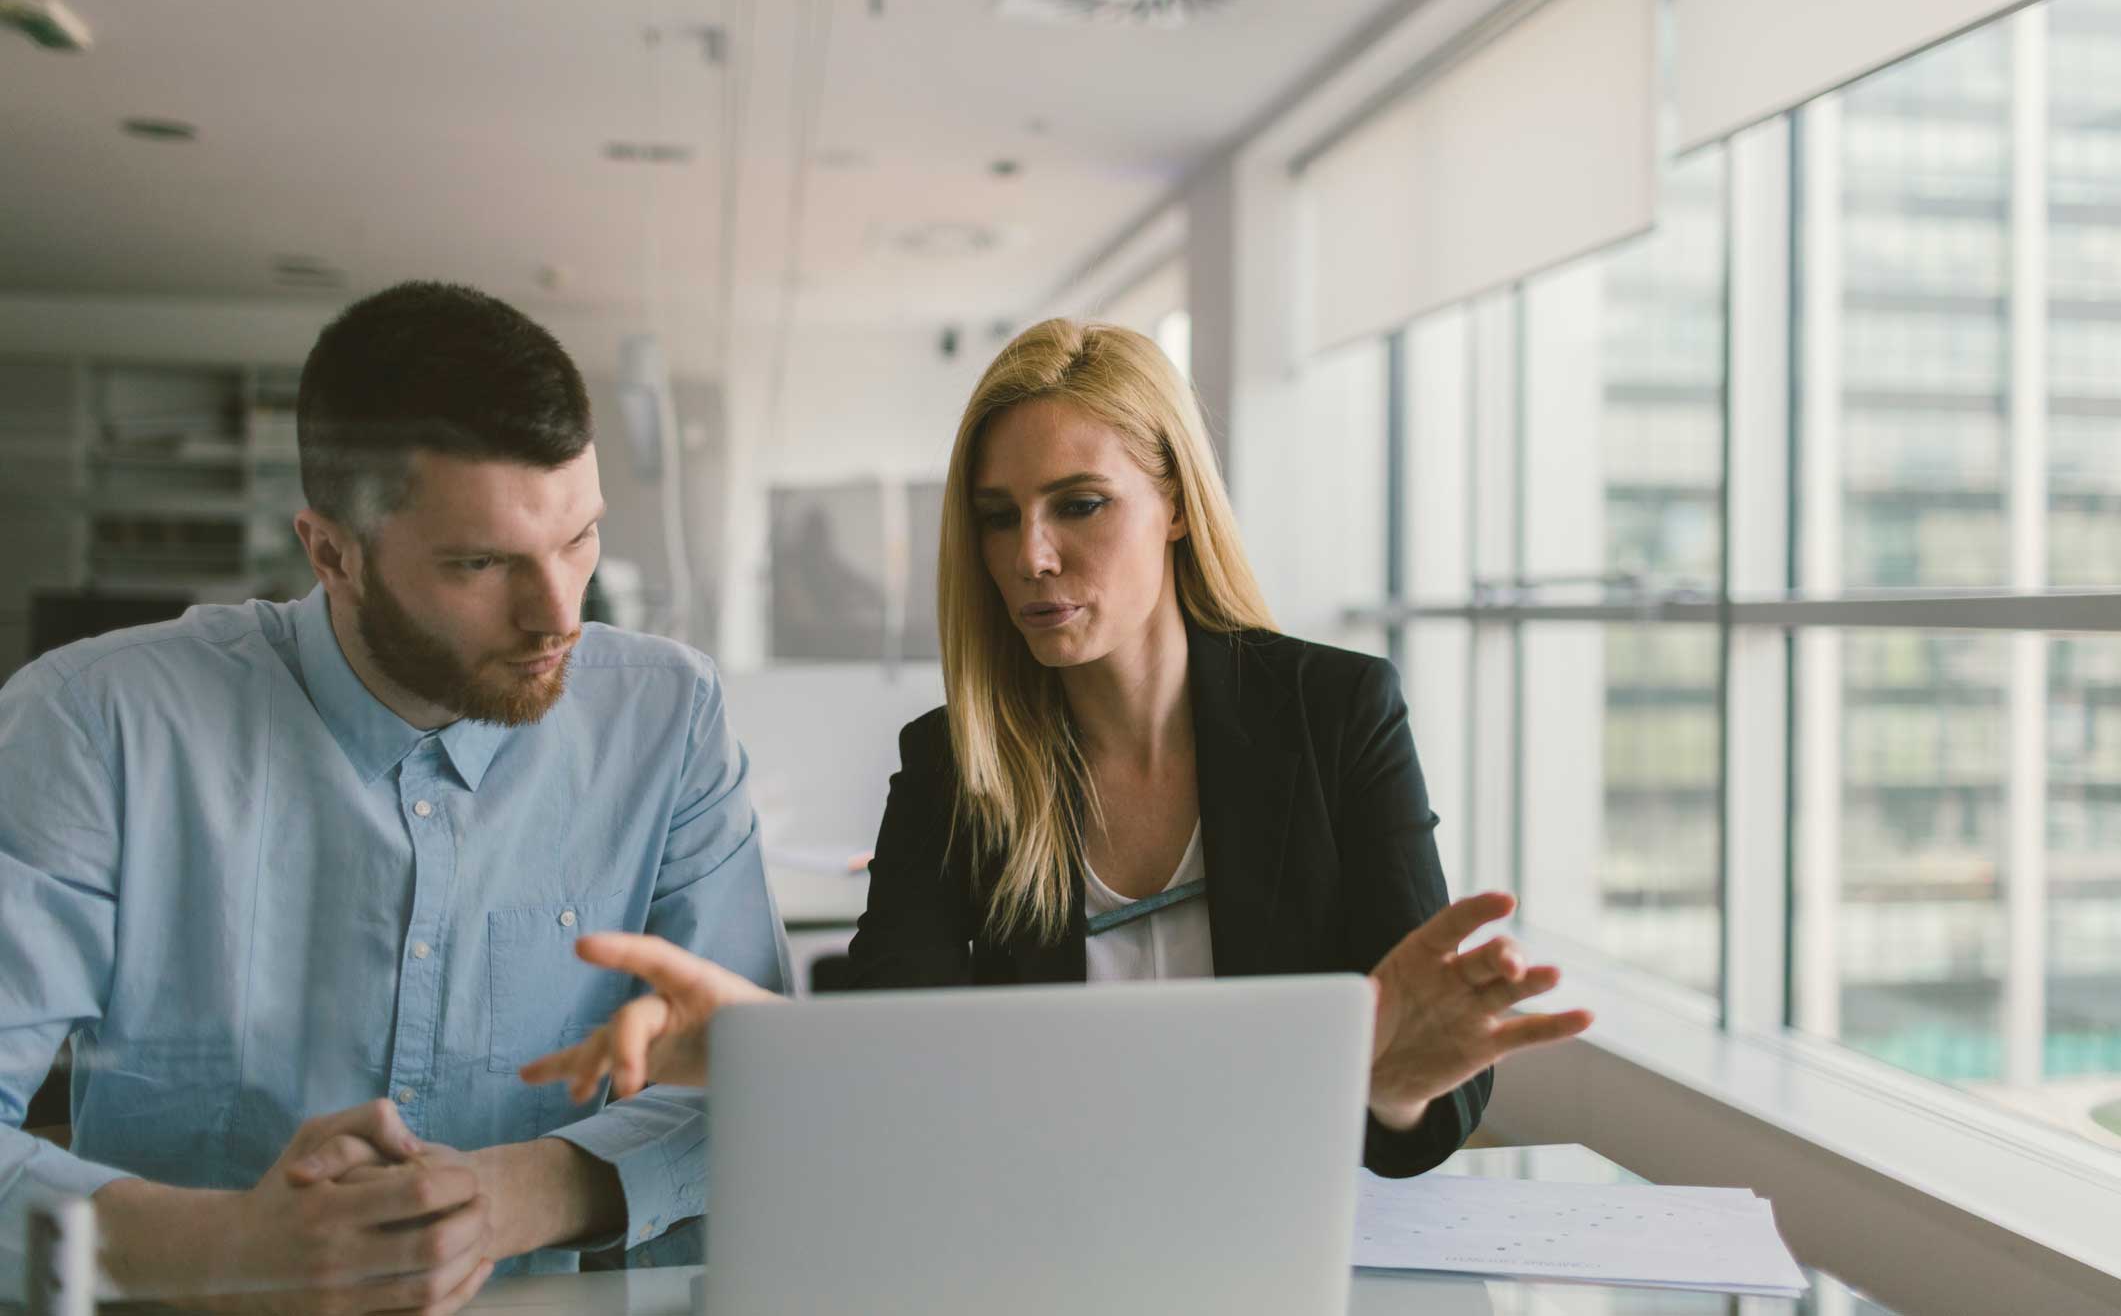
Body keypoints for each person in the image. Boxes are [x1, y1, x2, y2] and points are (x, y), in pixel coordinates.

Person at [525, 319, 1588, 1175]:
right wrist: (768, 1051)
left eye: (1080, 505)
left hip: (1295, 1251)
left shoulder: (1335, 713)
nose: (1032, 556)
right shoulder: (953, 767)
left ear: (1173, 501)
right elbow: (906, 1073)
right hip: (1047, 1245)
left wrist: (1391, 1084)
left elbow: (1422, 1093)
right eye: (998, 517)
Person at [0, 282, 788, 1310]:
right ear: (331, 551)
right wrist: (230, 1246)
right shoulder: (93, 723)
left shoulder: (667, 717)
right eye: (480, 562)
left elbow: (755, 1081)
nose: (559, 613)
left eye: (579, 539)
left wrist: (513, 1194)